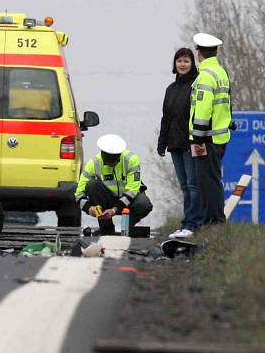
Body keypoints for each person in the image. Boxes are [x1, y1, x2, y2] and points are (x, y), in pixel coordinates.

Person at [158, 48, 201, 238]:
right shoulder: (171, 89)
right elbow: (166, 118)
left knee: (193, 185)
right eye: (179, 61)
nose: (182, 64)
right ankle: (187, 224)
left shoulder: (197, 85)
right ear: (174, 64)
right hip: (174, 144)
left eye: (186, 61)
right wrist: (162, 143)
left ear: (192, 64)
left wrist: (199, 139)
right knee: (184, 186)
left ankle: (193, 224)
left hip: (191, 143)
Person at [189, 32, 232, 227]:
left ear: (199, 53)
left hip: (207, 138)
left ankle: (213, 221)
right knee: (213, 179)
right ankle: (214, 220)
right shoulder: (221, 72)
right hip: (220, 136)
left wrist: (197, 136)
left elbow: (204, 108)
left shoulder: (205, 76)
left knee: (207, 181)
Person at [74, 134, 153, 235]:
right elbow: (78, 194)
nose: (112, 164)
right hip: (108, 201)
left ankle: (127, 227)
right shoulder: (93, 164)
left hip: (129, 200)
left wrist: (114, 210)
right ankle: (106, 228)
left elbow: (133, 189)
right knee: (91, 185)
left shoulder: (132, 159)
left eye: (115, 161)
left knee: (144, 204)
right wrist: (88, 208)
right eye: (108, 163)